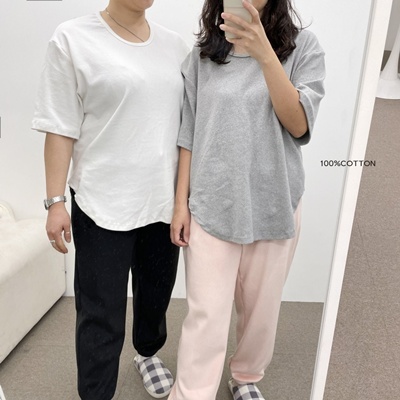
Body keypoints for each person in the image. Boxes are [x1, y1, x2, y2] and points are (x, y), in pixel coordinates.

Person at [168, 0, 325, 399]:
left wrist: (264, 53)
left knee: (261, 311)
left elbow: (299, 124)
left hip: (274, 201)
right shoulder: (203, 57)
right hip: (211, 202)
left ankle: (245, 377)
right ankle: (192, 392)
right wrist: (180, 203)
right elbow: (188, 132)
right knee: (206, 314)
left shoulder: (303, 48)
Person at [32, 0, 188, 399]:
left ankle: (147, 353)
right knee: (100, 311)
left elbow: (187, 127)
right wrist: (55, 202)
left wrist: (184, 198)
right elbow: (59, 125)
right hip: (101, 201)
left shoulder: (176, 47)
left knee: (156, 293)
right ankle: (96, 392)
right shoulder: (73, 39)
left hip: (161, 199)